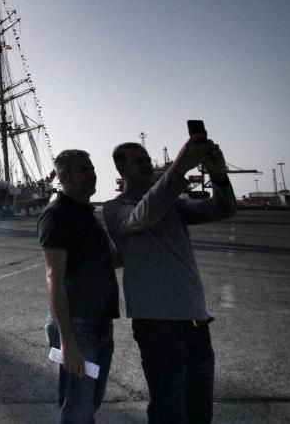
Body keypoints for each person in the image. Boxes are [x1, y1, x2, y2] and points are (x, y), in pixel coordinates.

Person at [103, 136, 235, 424]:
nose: (148, 163)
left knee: (200, 407)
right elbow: (141, 217)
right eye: (139, 160)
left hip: (195, 318)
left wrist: (219, 175)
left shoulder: (171, 205)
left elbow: (221, 209)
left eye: (147, 158)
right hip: (157, 322)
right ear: (120, 168)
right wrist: (178, 170)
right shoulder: (115, 208)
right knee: (169, 407)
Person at [38, 149, 120, 423]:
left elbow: (109, 260)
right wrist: (67, 341)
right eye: (84, 169)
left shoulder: (85, 213)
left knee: (89, 402)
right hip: (77, 326)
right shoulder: (58, 215)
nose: (92, 174)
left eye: (92, 168)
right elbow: (54, 278)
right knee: (78, 407)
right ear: (64, 176)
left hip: (99, 321)